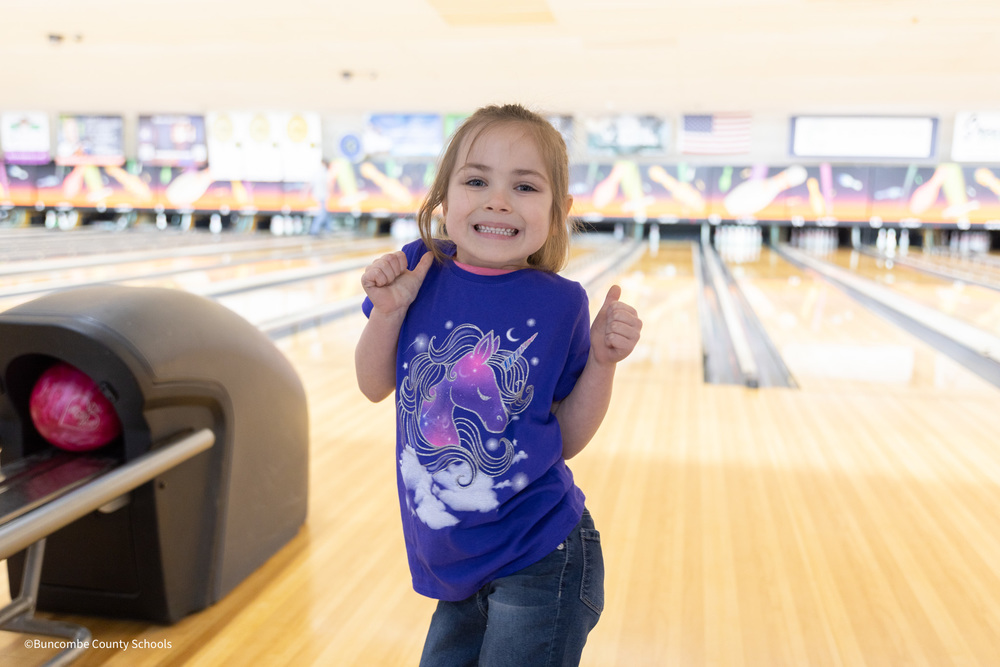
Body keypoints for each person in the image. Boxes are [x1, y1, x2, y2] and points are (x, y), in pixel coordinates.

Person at [355, 103, 641, 666]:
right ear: (444, 198)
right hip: (458, 560)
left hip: (541, 551)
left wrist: (604, 362)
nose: (498, 200)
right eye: (477, 180)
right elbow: (372, 386)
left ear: (559, 211)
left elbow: (568, 437)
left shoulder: (562, 303)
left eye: (525, 187)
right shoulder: (416, 272)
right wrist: (388, 313)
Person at [309, 159, 332, 235]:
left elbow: (311, 184)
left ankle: (328, 229)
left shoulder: (318, 172)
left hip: (319, 196)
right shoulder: (324, 173)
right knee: (322, 214)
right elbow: (328, 185)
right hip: (322, 196)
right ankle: (314, 230)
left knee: (325, 213)